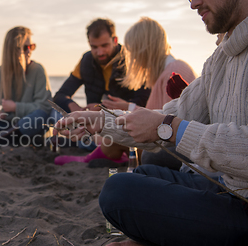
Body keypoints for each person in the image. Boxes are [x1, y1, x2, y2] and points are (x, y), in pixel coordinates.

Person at [55, 0, 248, 246]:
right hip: (224, 189)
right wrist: (101, 121)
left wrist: (169, 128)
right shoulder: (220, 58)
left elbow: (169, 125)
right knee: (140, 175)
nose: (193, 2)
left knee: (120, 192)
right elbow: (172, 114)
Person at [55, 17, 196, 167]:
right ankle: (100, 153)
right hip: (159, 141)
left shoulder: (175, 72)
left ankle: (96, 156)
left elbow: (168, 125)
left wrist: (124, 109)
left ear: (144, 49)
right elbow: (157, 118)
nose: (129, 58)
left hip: (175, 151)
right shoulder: (162, 74)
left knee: (116, 143)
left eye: (131, 51)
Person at [53, 18, 151, 113]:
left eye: (104, 45)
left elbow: (146, 102)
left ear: (115, 40)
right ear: (89, 43)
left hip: (127, 123)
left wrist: (106, 109)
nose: (100, 53)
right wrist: (75, 107)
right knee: (54, 114)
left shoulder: (133, 60)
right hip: (92, 123)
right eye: (94, 47)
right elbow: (60, 96)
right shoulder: (85, 61)